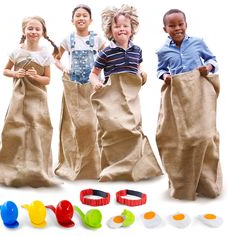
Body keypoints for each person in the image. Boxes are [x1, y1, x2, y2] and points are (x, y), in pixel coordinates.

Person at [89, 4, 163, 182]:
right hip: (113, 97)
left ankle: (135, 166)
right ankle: (111, 167)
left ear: (132, 29)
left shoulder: (137, 50)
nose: (121, 29)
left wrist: (143, 75)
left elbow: (138, 69)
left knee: (133, 126)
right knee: (113, 128)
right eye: (117, 26)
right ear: (110, 30)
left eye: (125, 26)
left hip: (131, 97)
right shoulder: (106, 52)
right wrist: (96, 83)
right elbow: (94, 73)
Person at [156, 9, 222, 200]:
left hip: (199, 95)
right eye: (172, 25)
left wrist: (207, 68)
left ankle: (207, 184)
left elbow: (213, 60)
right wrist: (165, 76)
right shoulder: (163, 51)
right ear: (165, 28)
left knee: (204, 136)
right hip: (179, 98)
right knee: (183, 139)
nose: (177, 28)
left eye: (180, 24)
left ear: (186, 24)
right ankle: (184, 184)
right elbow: (160, 70)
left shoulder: (197, 42)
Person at [0, 16, 61, 187]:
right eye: (30, 28)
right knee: (15, 128)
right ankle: (14, 168)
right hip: (19, 97)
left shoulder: (45, 53)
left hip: (38, 98)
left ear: (43, 32)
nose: (33, 32)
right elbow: (5, 70)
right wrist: (15, 74)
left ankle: (37, 169)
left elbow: (47, 80)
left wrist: (36, 76)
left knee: (38, 129)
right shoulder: (17, 51)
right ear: (24, 31)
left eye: (37, 29)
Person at [54, 4, 105, 180]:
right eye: (78, 15)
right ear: (72, 20)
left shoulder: (97, 39)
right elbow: (56, 58)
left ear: (90, 20)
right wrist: (64, 69)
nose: (81, 18)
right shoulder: (68, 40)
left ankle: (95, 165)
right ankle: (74, 163)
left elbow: (107, 56)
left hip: (92, 87)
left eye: (85, 15)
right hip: (75, 87)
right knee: (75, 125)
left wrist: (102, 77)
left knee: (93, 125)